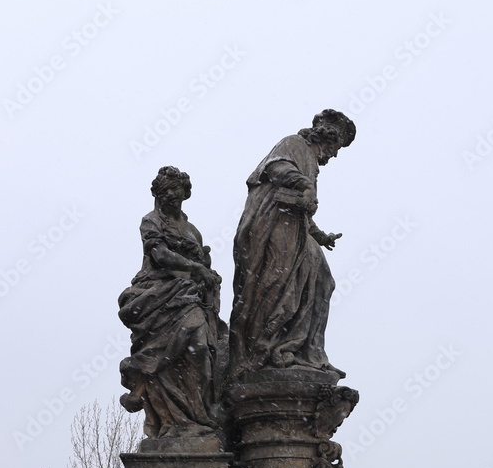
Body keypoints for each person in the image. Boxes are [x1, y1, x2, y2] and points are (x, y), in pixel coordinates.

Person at [229, 109, 356, 376]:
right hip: (273, 224)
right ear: (326, 137)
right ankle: (263, 349)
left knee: (323, 282)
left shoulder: (312, 163)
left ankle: (308, 351)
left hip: (297, 229)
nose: (334, 155)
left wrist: (319, 234)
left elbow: (305, 210)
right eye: (336, 147)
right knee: (275, 283)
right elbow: (277, 167)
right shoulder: (294, 144)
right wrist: (304, 185)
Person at [118, 166, 223, 438]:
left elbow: (202, 265)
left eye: (176, 190)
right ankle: (175, 419)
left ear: (185, 193)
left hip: (189, 296)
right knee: (167, 361)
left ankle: (197, 414)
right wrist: (196, 269)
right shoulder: (150, 221)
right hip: (158, 295)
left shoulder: (192, 231)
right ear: (156, 193)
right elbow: (160, 254)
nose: (171, 195)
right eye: (165, 190)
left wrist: (207, 274)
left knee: (200, 349)